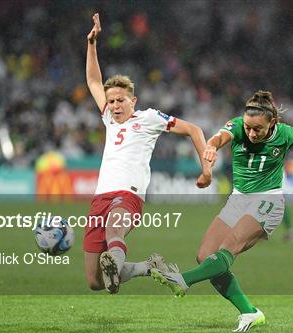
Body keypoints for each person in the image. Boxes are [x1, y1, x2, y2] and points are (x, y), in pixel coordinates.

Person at [151, 91, 293, 332]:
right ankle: (250, 312)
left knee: (227, 249)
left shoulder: (285, 133)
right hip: (238, 200)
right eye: (248, 127)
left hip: (268, 200)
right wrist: (210, 148)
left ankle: (182, 280)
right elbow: (219, 137)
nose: (251, 133)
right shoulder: (239, 126)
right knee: (205, 256)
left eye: (257, 129)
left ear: (272, 123)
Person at [84, 13, 212, 294]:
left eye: (121, 100)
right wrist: (92, 44)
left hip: (128, 195)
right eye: (112, 101)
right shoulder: (107, 117)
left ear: (134, 101)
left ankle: (115, 263)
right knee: (94, 282)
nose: (115, 105)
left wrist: (206, 167)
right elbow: (94, 81)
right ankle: (147, 267)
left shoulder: (149, 118)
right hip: (99, 197)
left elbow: (193, 129)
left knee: (114, 231)